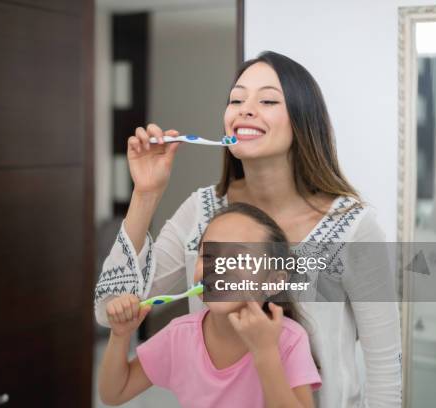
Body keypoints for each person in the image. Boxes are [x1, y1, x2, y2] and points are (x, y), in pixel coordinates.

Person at [94, 51, 402, 406]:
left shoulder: (353, 228)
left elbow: (385, 370)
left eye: (268, 100)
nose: (245, 109)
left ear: (304, 121)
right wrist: (145, 195)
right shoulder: (200, 211)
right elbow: (108, 310)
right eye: (236, 99)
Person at [98, 203, 321, 407]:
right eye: (209, 257)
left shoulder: (289, 340)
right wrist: (120, 336)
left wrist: (265, 353)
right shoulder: (179, 336)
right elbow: (114, 393)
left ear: (274, 281)